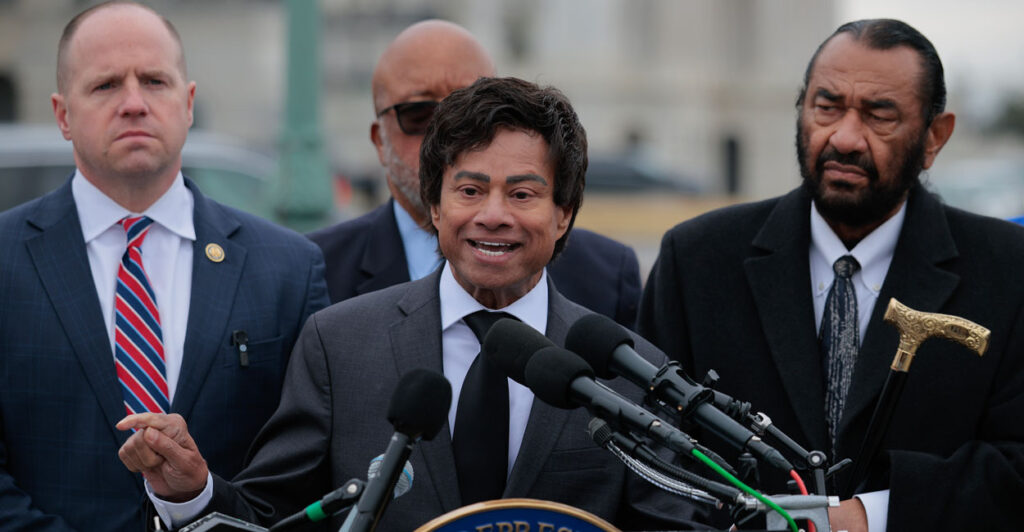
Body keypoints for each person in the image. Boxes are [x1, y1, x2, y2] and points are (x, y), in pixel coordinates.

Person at [118, 77, 707, 531]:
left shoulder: (628, 375)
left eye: (522, 193)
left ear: (564, 214)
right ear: (434, 204)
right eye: (470, 190)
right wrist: (191, 491)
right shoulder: (339, 346)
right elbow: (273, 516)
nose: (492, 214)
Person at [638, 18, 1024, 532]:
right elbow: (648, 447)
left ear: (935, 136)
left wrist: (872, 516)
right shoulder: (698, 259)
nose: (844, 137)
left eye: (879, 114)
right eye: (827, 106)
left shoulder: (1008, 269)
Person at [0, 2, 329, 530]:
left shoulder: (287, 269)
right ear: (62, 115)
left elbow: (306, 475)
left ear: (189, 102)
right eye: (105, 85)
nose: (134, 103)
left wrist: (200, 501)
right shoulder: (6, 259)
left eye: (155, 81)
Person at [308, 20, 643, 329]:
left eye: (474, 113)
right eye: (419, 114)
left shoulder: (606, 274)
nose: (447, 132)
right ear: (379, 141)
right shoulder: (315, 271)